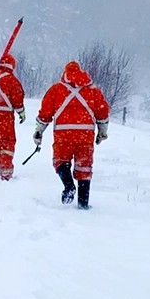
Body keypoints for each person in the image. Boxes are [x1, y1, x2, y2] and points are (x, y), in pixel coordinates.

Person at [33, 60, 109, 208]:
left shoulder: (56, 90)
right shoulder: (93, 91)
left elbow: (45, 114)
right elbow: (102, 113)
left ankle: (68, 185)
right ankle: (83, 204)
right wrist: (102, 132)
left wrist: (38, 131)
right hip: (85, 135)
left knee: (61, 161)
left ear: (65, 73)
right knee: (84, 168)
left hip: (64, 133)